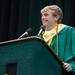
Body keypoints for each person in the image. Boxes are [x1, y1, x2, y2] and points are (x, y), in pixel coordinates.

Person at [40, 5, 75, 74]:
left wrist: (73, 66)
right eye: (42, 15)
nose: (43, 18)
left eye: (46, 15)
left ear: (56, 17)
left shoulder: (69, 32)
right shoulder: (39, 37)